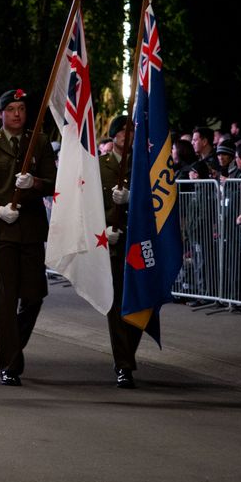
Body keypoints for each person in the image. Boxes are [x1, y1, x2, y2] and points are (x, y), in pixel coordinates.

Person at [0, 89, 56, 386]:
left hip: (31, 230)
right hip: (0, 232)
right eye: (11, 109)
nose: (17, 114)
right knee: (6, 300)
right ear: (1, 114)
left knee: (34, 296)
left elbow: (53, 183)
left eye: (21, 108)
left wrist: (34, 182)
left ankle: (13, 346)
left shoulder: (40, 142)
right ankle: (9, 364)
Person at [98, 115, 143, 388]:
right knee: (115, 306)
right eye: (122, 130)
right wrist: (103, 232)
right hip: (111, 243)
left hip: (138, 243)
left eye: (131, 130)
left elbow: (158, 200)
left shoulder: (143, 164)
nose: (127, 135)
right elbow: (89, 206)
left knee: (139, 302)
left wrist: (133, 196)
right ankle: (123, 365)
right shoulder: (99, 167)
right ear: (113, 135)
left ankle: (128, 355)